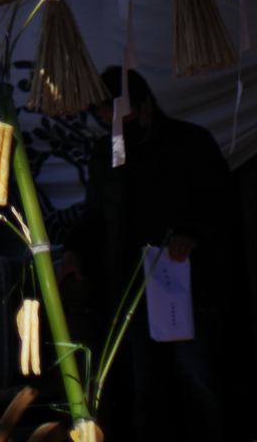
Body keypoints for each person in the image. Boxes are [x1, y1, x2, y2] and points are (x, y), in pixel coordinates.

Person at [55, 66, 232, 442]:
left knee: (196, 375)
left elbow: (222, 204)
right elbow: (95, 216)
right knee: (145, 386)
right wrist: (73, 253)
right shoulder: (107, 153)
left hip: (188, 282)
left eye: (118, 110)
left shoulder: (190, 142)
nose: (108, 118)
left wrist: (192, 235)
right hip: (132, 286)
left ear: (146, 104)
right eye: (102, 111)